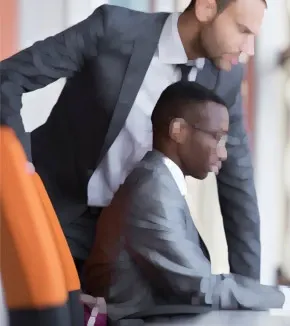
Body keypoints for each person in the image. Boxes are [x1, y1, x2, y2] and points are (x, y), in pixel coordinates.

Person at [0, 0, 265, 279]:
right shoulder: (113, 29)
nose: (249, 49)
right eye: (242, 30)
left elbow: (238, 185)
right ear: (206, 8)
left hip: (133, 241)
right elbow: (9, 78)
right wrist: (21, 172)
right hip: (54, 214)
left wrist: (250, 295)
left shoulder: (226, 79)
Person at [82, 81, 290, 320]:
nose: (223, 153)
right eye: (217, 138)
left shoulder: (158, 181)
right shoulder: (152, 190)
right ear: (178, 130)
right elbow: (203, 289)